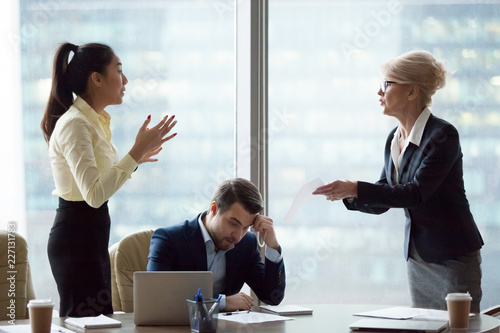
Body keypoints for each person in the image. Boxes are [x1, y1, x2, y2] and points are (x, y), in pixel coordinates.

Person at [313, 50, 483, 312]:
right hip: (418, 256)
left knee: (458, 328)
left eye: (387, 84)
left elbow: (414, 193)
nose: (379, 92)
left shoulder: (443, 135)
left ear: (412, 92)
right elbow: (384, 196)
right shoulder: (394, 138)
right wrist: (349, 194)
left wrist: (357, 187)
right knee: (424, 327)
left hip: (452, 256)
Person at [41, 42, 177, 317]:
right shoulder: (76, 124)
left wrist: (135, 160)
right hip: (76, 239)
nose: (125, 80)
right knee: (87, 324)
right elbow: (94, 194)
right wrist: (135, 152)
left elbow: (102, 183)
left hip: (90, 235)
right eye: (119, 70)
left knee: (101, 322)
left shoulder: (95, 121)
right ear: (97, 78)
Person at [147, 178, 285, 311]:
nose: (237, 236)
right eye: (233, 223)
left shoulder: (246, 243)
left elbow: (271, 297)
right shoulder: (169, 239)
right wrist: (222, 302)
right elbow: (157, 296)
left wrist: (272, 245)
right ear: (214, 209)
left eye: (245, 228)